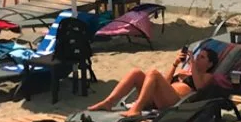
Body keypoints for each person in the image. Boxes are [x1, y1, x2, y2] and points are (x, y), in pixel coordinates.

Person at [86, 44, 217, 115]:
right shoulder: (183, 71)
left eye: (202, 57)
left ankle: (137, 108)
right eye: (198, 56)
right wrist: (175, 64)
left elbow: (200, 88)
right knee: (136, 72)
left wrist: (192, 65)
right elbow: (166, 82)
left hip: (174, 103)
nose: (197, 58)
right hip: (159, 98)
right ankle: (108, 102)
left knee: (153, 73)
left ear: (210, 64)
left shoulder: (207, 76)